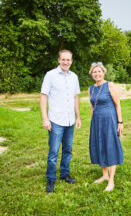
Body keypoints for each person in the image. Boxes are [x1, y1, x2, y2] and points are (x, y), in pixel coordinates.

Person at [40, 50, 81, 193]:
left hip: (70, 121)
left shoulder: (74, 77)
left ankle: (64, 174)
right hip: (56, 120)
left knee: (68, 150)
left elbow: (76, 98)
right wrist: (45, 118)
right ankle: (51, 178)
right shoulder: (50, 75)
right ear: (58, 60)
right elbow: (43, 96)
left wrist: (78, 117)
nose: (66, 62)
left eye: (68, 60)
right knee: (53, 152)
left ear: (71, 61)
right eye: (63, 59)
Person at [88, 62, 124, 192]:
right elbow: (92, 107)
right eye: (94, 72)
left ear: (104, 72)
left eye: (99, 71)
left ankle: (111, 180)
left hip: (109, 120)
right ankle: (104, 175)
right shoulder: (90, 88)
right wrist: (93, 122)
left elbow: (118, 104)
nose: (97, 74)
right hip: (97, 122)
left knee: (110, 146)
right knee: (100, 145)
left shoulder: (110, 85)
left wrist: (120, 122)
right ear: (91, 74)